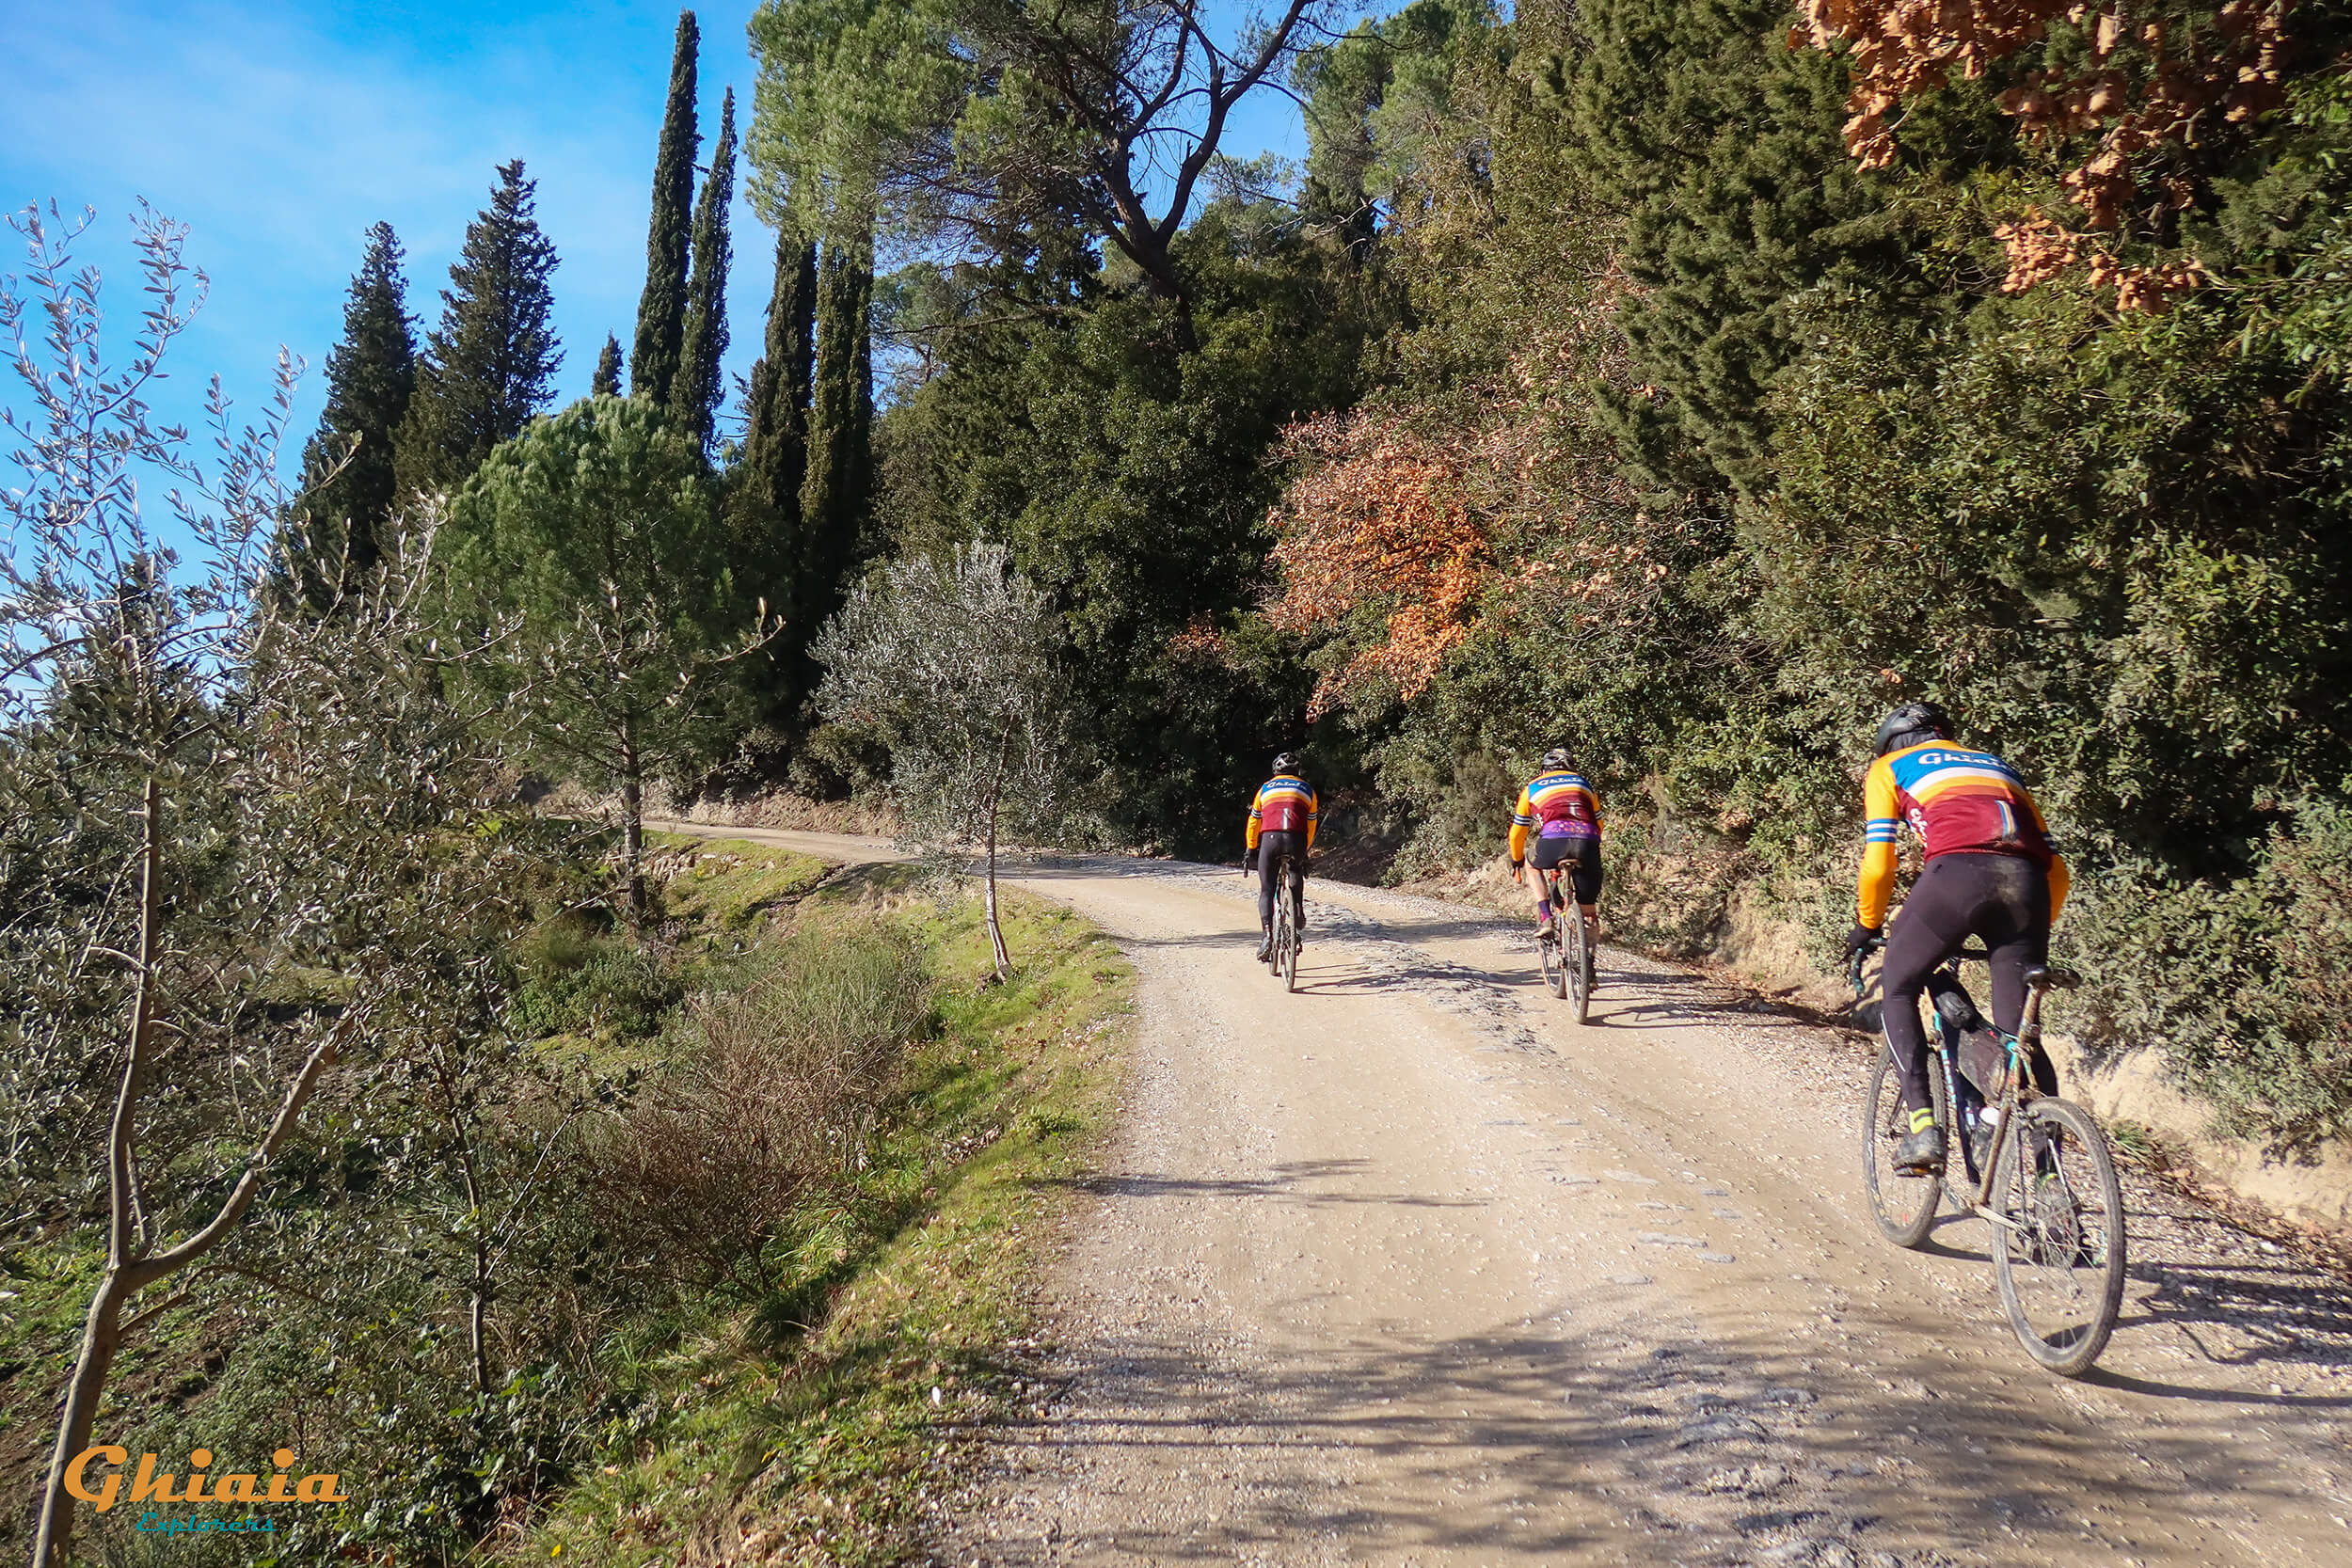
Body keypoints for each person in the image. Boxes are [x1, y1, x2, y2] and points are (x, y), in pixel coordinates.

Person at [1846, 702, 2071, 1173]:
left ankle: (1924, 1128)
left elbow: (1880, 864)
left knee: (1900, 983)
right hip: (2028, 886)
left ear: (1892, 743)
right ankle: (2051, 1186)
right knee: (2021, 1040)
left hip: (1957, 876)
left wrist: (1867, 925)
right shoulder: (1997, 766)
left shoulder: (1888, 768)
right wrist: (2027, 936)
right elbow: (2059, 872)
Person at [1508, 747, 1603, 959]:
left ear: (1544, 770)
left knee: (1531, 865)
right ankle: (1589, 965)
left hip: (1553, 841)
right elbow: (1599, 823)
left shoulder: (1531, 788)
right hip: (1586, 842)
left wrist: (1516, 860)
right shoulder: (1583, 783)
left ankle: (1545, 917)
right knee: (1589, 912)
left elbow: (1516, 834)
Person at [1245, 752, 1318, 964]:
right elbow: (1311, 824)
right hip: (1297, 840)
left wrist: (1251, 848)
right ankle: (1297, 914)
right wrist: (1306, 850)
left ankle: (1267, 936)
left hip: (1271, 839)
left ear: (1275, 770)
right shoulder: (1308, 789)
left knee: (1267, 889)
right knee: (1295, 870)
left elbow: (1253, 821)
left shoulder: (1265, 788)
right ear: (1298, 771)